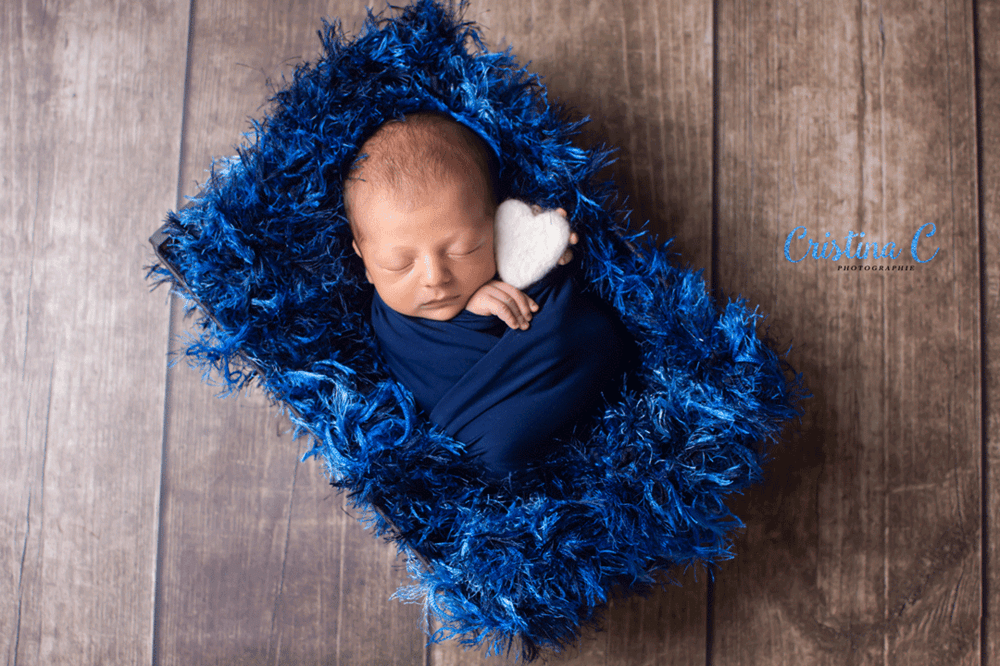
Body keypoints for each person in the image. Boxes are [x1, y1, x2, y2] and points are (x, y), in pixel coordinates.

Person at [344, 112, 629, 477]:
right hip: (493, 450)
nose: (435, 278)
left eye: (462, 249)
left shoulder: (510, 263)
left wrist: (539, 257)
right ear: (365, 262)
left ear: (496, 224)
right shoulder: (388, 325)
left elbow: (582, 328)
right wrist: (472, 314)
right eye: (399, 265)